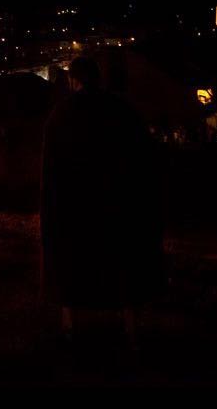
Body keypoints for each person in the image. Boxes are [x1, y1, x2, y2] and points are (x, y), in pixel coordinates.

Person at [40, 56, 162, 348]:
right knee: (121, 267)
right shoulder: (123, 111)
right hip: (119, 205)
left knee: (75, 269)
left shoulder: (62, 114)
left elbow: (52, 169)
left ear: (72, 80)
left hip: (76, 207)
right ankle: (129, 329)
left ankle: (72, 331)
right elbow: (144, 162)